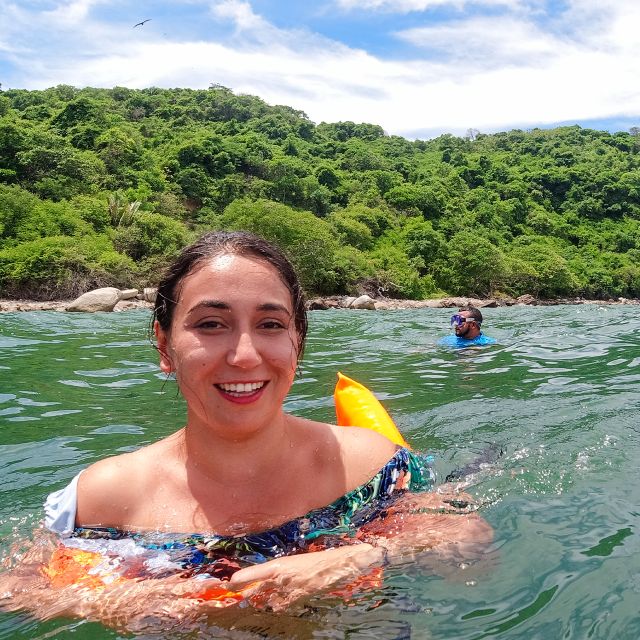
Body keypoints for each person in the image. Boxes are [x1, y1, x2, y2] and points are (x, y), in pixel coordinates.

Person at [1, 231, 492, 628]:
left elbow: (472, 548)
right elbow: (18, 592)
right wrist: (137, 600)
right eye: (211, 324)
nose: (244, 355)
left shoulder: (371, 464)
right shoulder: (104, 497)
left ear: (298, 342)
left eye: (271, 325)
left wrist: (368, 553)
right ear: (164, 345)